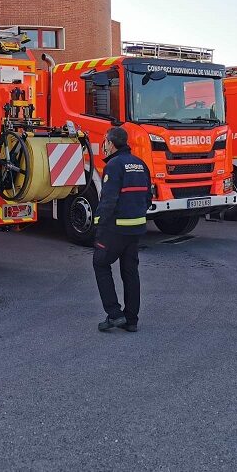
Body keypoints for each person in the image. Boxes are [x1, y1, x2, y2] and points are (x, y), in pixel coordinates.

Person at [93, 126, 152, 333]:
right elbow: (148, 198)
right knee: (130, 272)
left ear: (110, 143)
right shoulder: (140, 164)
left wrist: (98, 223)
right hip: (136, 228)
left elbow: (108, 199)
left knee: (100, 263)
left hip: (115, 229)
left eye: (106, 142)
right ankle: (132, 320)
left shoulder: (114, 165)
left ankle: (114, 314)